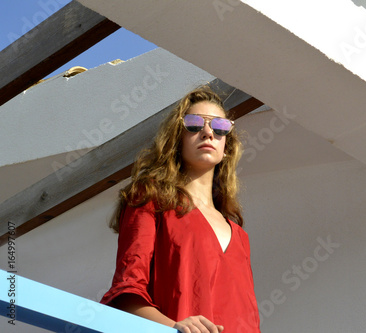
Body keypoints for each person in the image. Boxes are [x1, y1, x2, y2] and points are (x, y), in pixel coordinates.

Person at [100, 85, 261, 332]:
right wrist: (174, 326)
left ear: (227, 146)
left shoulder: (240, 235)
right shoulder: (150, 197)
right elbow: (126, 293)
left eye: (220, 127)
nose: (208, 132)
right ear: (177, 138)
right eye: (195, 124)